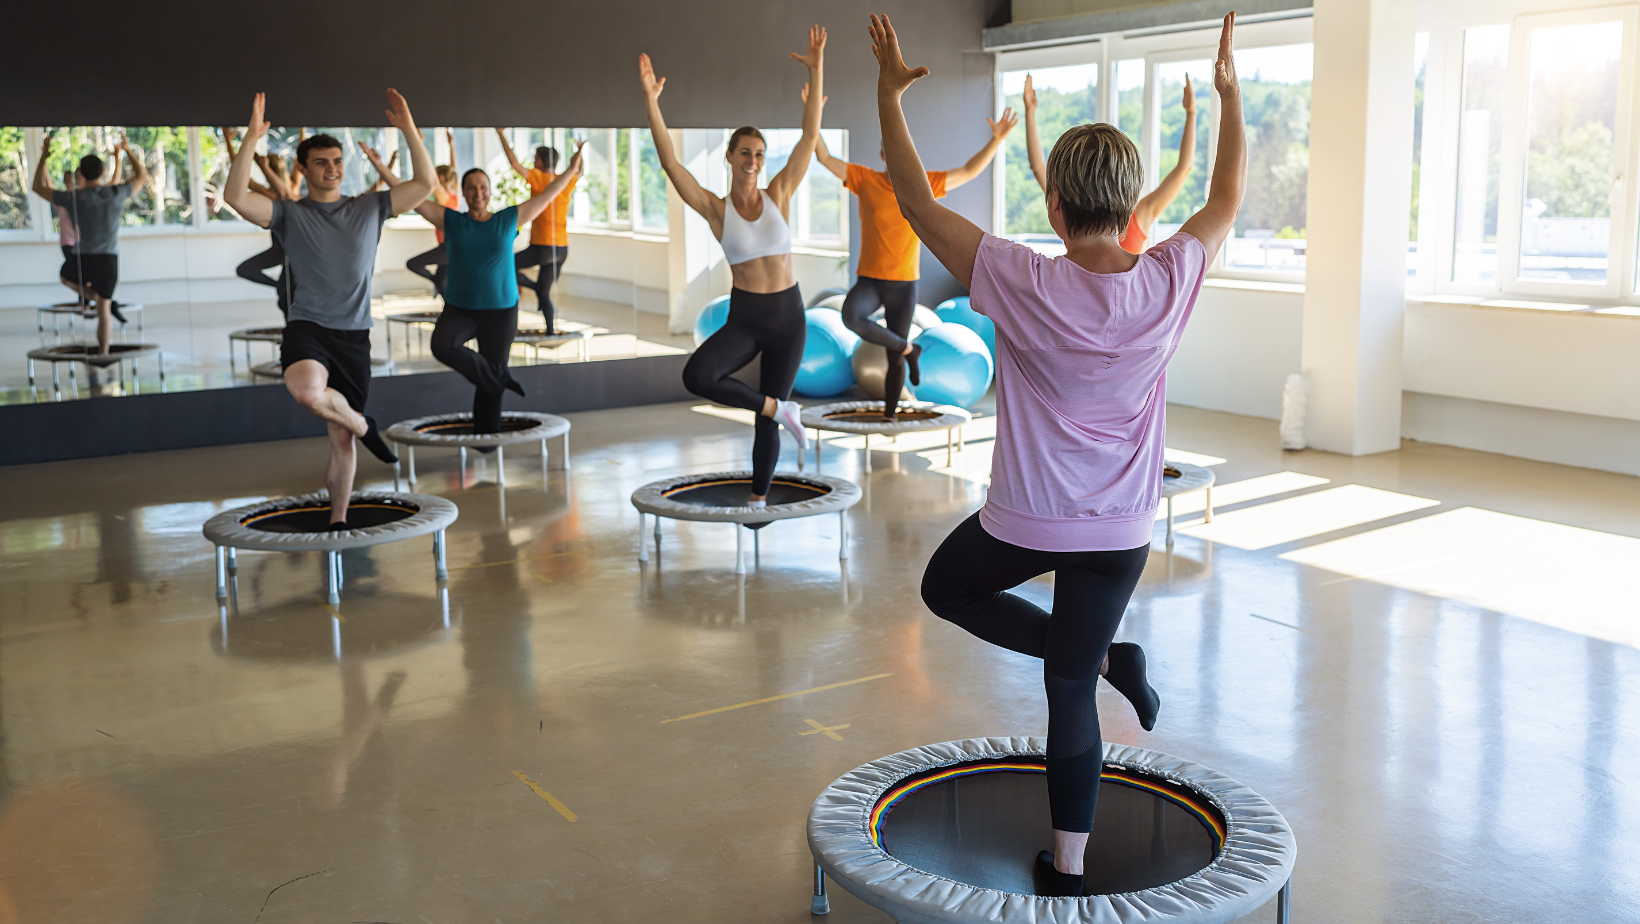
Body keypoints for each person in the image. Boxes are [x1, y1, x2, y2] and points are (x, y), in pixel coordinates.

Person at [871, 11, 1244, 896]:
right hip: (1121, 532)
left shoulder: (1022, 277)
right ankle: (1070, 863)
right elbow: (1225, 201)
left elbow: (915, 202)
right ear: (1128, 204)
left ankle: (1107, 660)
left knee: (947, 588)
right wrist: (1229, 99)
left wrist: (889, 96)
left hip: (1028, 523)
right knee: (1069, 684)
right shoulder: (1169, 278)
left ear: (1056, 206)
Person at [224, 90, 436, 527]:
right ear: (303, 169)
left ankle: (338, 519)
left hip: (355, 334)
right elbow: (236, 197)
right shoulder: (289, 214)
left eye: (337, 161)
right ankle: (365, 425)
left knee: (340, 440)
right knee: (307, 392)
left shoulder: (370, 207)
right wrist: (250, 139)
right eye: (321, 162)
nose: (332, 169)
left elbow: (425, 185)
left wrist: (409, 129)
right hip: (308, 326)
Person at [639, 25, 825, 505]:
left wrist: (816, 67)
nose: (753, 160)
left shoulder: (779, 193)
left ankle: (758, 500)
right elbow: (671, 164)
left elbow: (809, 136)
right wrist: (652, 102)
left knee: (767, 421)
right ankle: (778, 408)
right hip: (746, 317)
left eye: (759, 154)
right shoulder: (716, 210)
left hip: (788, 318)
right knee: (699, 377)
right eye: (745, 152)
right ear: (729, 156)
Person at [362, 141, 585, 434]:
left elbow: (549, 193)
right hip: (460, 309)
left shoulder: (508, 219)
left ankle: (487, 439)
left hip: (501, 311)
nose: (478, 193)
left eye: (483, 187)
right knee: (442, 345)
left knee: (489, 382)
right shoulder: (451, 220)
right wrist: (380, 165)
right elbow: (411, 196)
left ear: (489, 191)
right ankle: (498, 378)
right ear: (464, 192)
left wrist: (572, 167)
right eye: (471, 188)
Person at [811, 111, 1017, 419]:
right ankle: (909, 347)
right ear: (883, 154)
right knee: (852, 317)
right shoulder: (865, 179)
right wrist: (813, 117)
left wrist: (997, 139)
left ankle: (890, 415)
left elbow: (969, 171)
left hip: (904, 284)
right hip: (870, 280)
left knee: (894, 358)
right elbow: (824, 157)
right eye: (889, 151)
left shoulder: (924, 185)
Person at [1022, 71, 1197, 254]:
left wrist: (1191, 114)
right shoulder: (1075, 206)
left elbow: (1183, 168)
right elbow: (1038, 167)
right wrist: (1030, 112)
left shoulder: (1135, 216)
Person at [31, 133, 149, 355]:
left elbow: (38, 187)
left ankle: (93, 297)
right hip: (108, 258)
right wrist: (127, 151)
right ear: (102, 172)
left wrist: (44, 156)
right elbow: (142, 176)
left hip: (83, 257)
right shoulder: (115, 193)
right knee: (104, 309)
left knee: (65, 277)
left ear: (82, 174)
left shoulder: (74, 197)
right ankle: (103, 352)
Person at [497, 130, 577, 332]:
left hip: (543, 246)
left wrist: (501, 134)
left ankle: (533, 288)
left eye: (535, 159)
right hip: (562, 249)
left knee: (505, 265)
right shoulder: (566, 180)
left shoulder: (539, 178)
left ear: (540, 161)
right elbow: (579, 170)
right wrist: (578, 153)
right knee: (544, 293)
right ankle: (550, 331)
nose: (533, 162)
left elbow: (514, 163)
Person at [224, 127, 302, 318]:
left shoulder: (281, 192)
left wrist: (229, 142)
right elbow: (241, 176)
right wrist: (302, 128)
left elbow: (300, 158)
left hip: (289, 251)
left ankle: (281, 291)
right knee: (248, 271)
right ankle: (279, 286)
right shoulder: (287, 188)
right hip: (279, 249)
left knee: (287, 296)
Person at [406, 129, 461, 299]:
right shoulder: (454, 194)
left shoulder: (443, 197)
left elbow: (428, 175)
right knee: (442, 282)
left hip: (447, 246)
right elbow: (454, 170)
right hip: (451, 245)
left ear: (441, 178)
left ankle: (444, 294)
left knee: (414, 264)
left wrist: (420, 143)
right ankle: (447, 301)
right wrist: (451, 146)